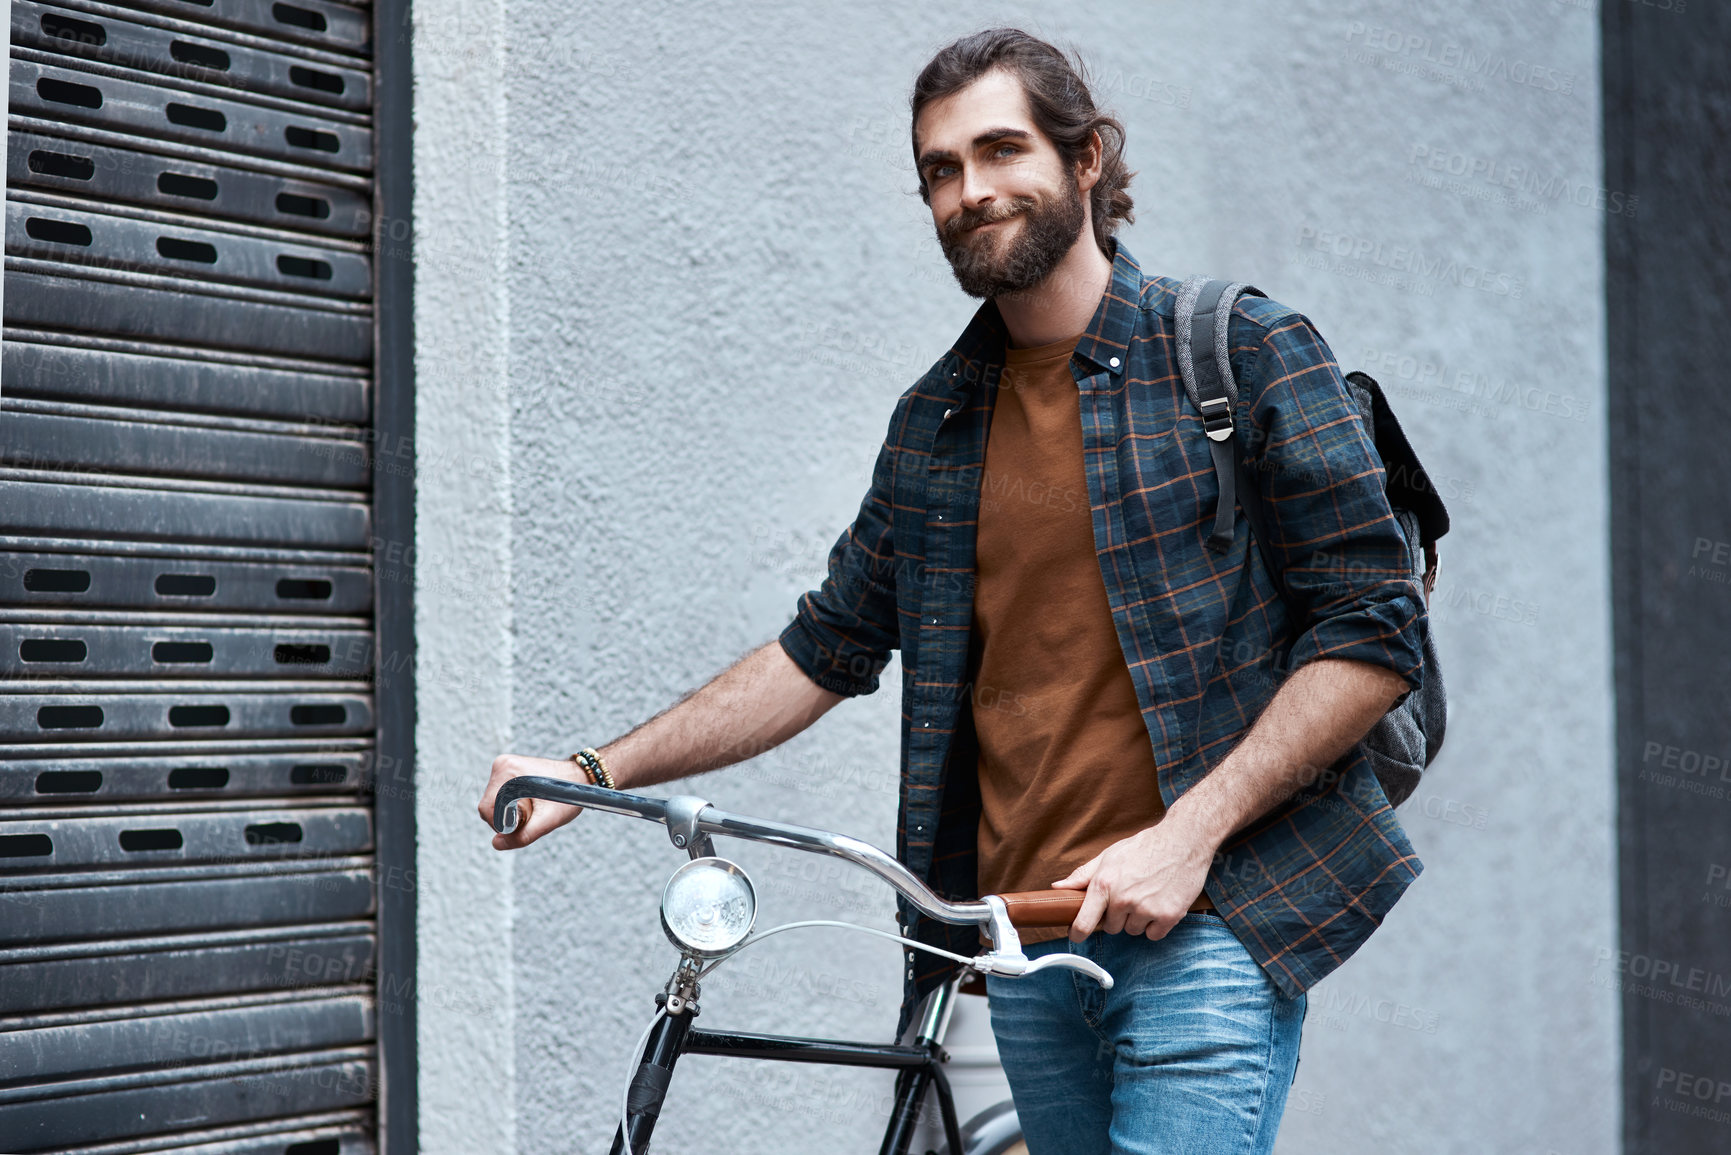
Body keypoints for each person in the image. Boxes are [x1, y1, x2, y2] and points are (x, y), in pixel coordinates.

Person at [479, 27, 1429, 1155]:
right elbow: (822, 650)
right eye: (941, 168)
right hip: (1018, 946)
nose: (970, 191)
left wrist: (1189, 837)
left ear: (1085, 161)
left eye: (1000, 150)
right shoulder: (937, 425)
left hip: (1208, 925)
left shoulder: (1235, 351)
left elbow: (1373, 629)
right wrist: (591, 773)